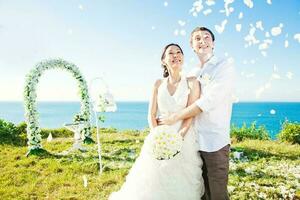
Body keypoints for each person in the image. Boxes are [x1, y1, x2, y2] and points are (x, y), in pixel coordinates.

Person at [109, 43, 204, 200]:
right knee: (152, 178)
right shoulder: (158, 84)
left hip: (184, 135)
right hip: (159, 135)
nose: (175, 56)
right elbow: (151, 114)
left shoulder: (192, 82)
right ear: (163, 60)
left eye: (179, 52)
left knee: (180, 179)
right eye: (170, 53)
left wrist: (179, 136)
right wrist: (157, 136)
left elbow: (190, 113)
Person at [159, 27, 235, 200]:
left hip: (214, 141)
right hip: (192, 143)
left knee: (216, 193)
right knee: (197, 191)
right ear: (192, 46)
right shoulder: (192, 73)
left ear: (213, 43)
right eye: (197, 39)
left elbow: (208, 101)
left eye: (207, 37)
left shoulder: (224, 66)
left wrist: (174, 117)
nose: (202, 41)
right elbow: (183, 101)